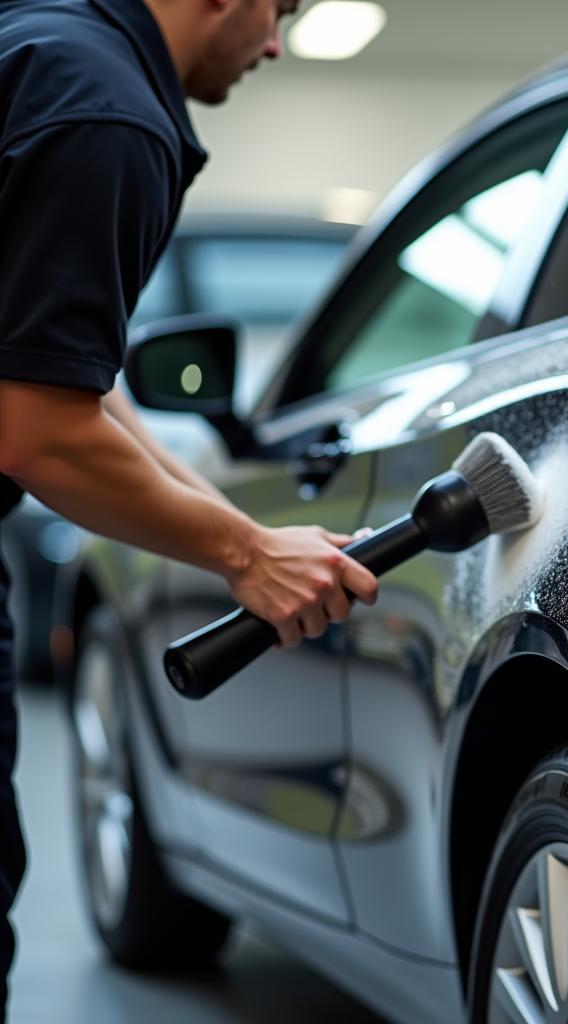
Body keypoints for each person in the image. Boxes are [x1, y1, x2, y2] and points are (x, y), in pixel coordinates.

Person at [0, 0, 378, 1012]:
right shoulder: (107, 115)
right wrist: (247, 555)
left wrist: (229, 517)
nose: (273, 44)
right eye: (280, 9)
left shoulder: (43, 41)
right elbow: (32, 429)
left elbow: (72, 382)